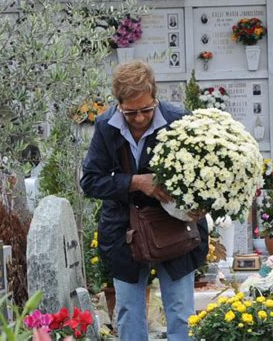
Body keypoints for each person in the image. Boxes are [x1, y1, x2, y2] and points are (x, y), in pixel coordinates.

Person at [80, 60, 208, 341]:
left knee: (180, 311)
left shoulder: (178, 120)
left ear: (155, 96)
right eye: (131, 112)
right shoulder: (106, 127)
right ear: (119, 104)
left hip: (174, 225)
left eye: (146, 110)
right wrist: (136, 182)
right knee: (128, 311)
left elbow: (204, 173)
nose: (139, 118)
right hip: (125, 230)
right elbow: (90, 181)